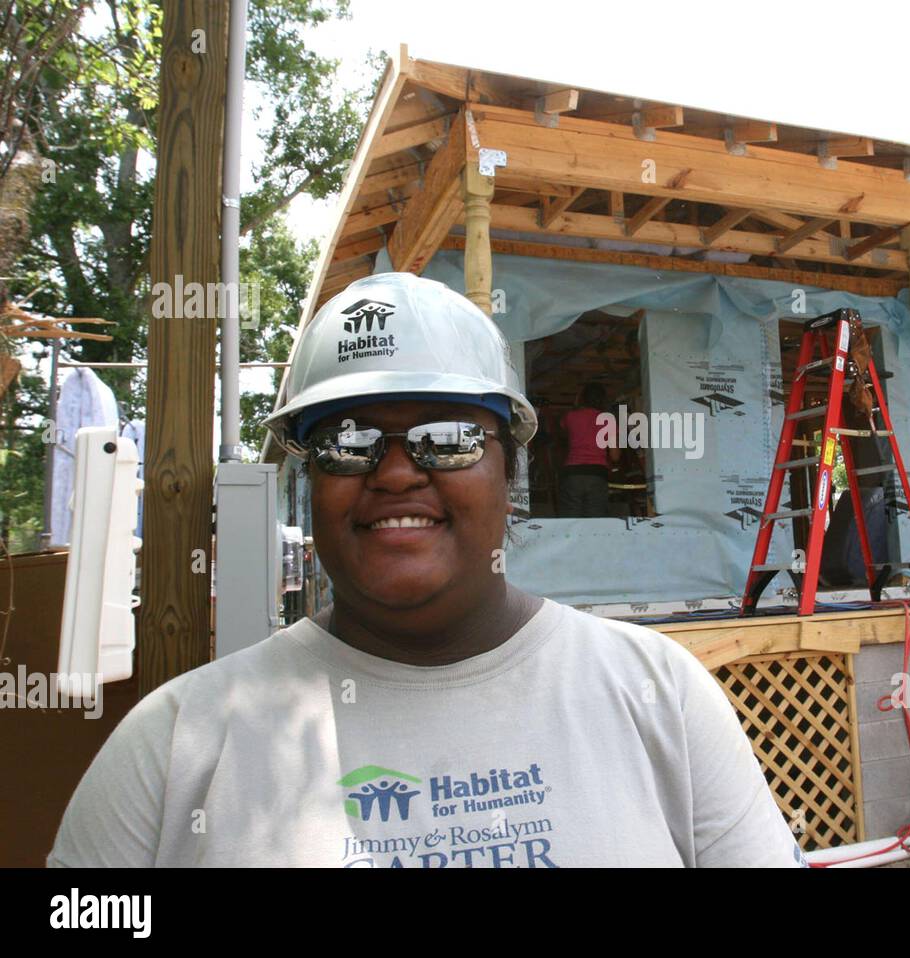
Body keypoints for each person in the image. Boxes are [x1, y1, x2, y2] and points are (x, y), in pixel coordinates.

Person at [47, 273, 805, 868]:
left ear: (510, 471)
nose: (399, 472)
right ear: (311, 480)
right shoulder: (174, 742)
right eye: (348, 439)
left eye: (448, 437)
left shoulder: (660, 696)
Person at [556, 382, 618, 517]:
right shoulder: (608, 420)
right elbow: (615, 456)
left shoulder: (570, 417)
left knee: (570, 522)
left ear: (582, 397)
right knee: (595, 522)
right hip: (597, 474)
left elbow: (561, 433)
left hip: (572, 474)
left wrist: (576, 404)